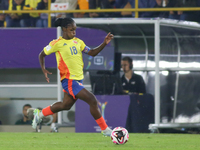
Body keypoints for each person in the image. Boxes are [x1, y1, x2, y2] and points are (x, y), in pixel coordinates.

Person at [29, 17, 113, 136]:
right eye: (71, 29)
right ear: (64, 29)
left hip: (78, 80)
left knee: (65, 105)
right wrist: (43, 69)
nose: (74, 32)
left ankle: (40, 114)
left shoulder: (78, 41)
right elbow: (41, 55)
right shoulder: (57, 43)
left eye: (75, 29)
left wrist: (104, 43)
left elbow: (92, 53)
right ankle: (105, 130)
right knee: (92, 100)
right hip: (69, 80)